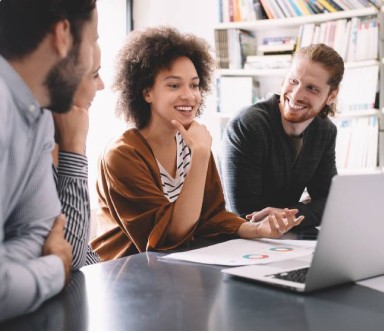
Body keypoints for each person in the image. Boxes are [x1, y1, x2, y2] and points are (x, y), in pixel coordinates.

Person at [91, 26, 303, 261]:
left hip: (178, 266)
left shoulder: (192, 143)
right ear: (146, 92)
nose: (189, 96)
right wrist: (200, 155)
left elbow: (210, 216)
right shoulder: (122, 155)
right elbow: (168, 237)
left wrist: (256, 228)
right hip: (124, 275)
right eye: (174, 85)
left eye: (194, 85)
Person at [0, 0, 98, 321]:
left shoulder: (37, 114)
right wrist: (54, 267)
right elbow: (58, 254)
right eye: (93, 39)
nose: (91, 67)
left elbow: (40, 235)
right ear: (63, 35)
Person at [220, 43, 344, 229]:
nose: (296, 95)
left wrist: (288, 216)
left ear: (331, 96)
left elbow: (330, 202)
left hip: (287, 239)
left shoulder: (324, 131)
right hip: (237, 242)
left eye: (311, 88)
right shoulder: (248, 125)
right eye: (293, 81)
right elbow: (246, 214)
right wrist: (303, 212)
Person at [52, 43, 105, 269]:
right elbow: (70, 258)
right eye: (95, 75)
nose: (101, 86)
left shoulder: (69, 128)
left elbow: (82, 252)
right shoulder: (68, 138)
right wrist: (74, 146)